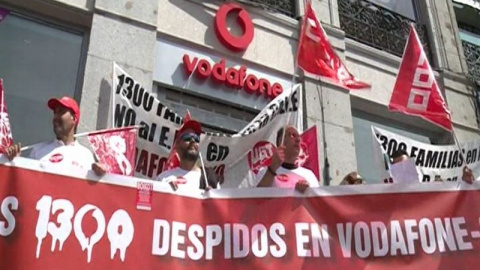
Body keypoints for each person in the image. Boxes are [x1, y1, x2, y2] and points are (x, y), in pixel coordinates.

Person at [4, 96, 105, 176]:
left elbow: (92, 193)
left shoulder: (85, 156)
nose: (55, 117)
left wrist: (102, 175)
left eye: (61, 111)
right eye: (55, 112)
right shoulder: (38, 151)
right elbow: (24, 184)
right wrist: (14, 162)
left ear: (74, 119)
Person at [155, 119, 220, 192]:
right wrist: (165, 191)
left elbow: (221, 203)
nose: (193, 141)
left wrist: (212, 199)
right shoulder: (164, 178)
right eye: (187, 138)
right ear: (177, 147)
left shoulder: (209, 178)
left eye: (196, 139)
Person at [256, 125, 319, 193]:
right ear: (281, 141)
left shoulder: (309, 175)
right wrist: (272, 169)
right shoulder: (265, 172)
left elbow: (318, 202)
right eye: (292, 135)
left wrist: (308, 191)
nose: (298, 140)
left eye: (299, 137)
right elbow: (257, 198)